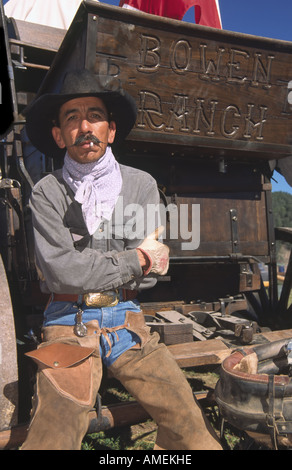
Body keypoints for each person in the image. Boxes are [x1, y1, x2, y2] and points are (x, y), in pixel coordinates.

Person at [21, 69, 222, 450]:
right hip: (69, 322)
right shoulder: (47, 192)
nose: (84, 126)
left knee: (187, 420)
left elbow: (152, 273)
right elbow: (63, 273)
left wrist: (111, 265)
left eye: (94, 116)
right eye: (71, 118)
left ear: (110, 130)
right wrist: (135, 258)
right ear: (58, 135)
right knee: (55, 432)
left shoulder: (140, 184)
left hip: (129, 323)